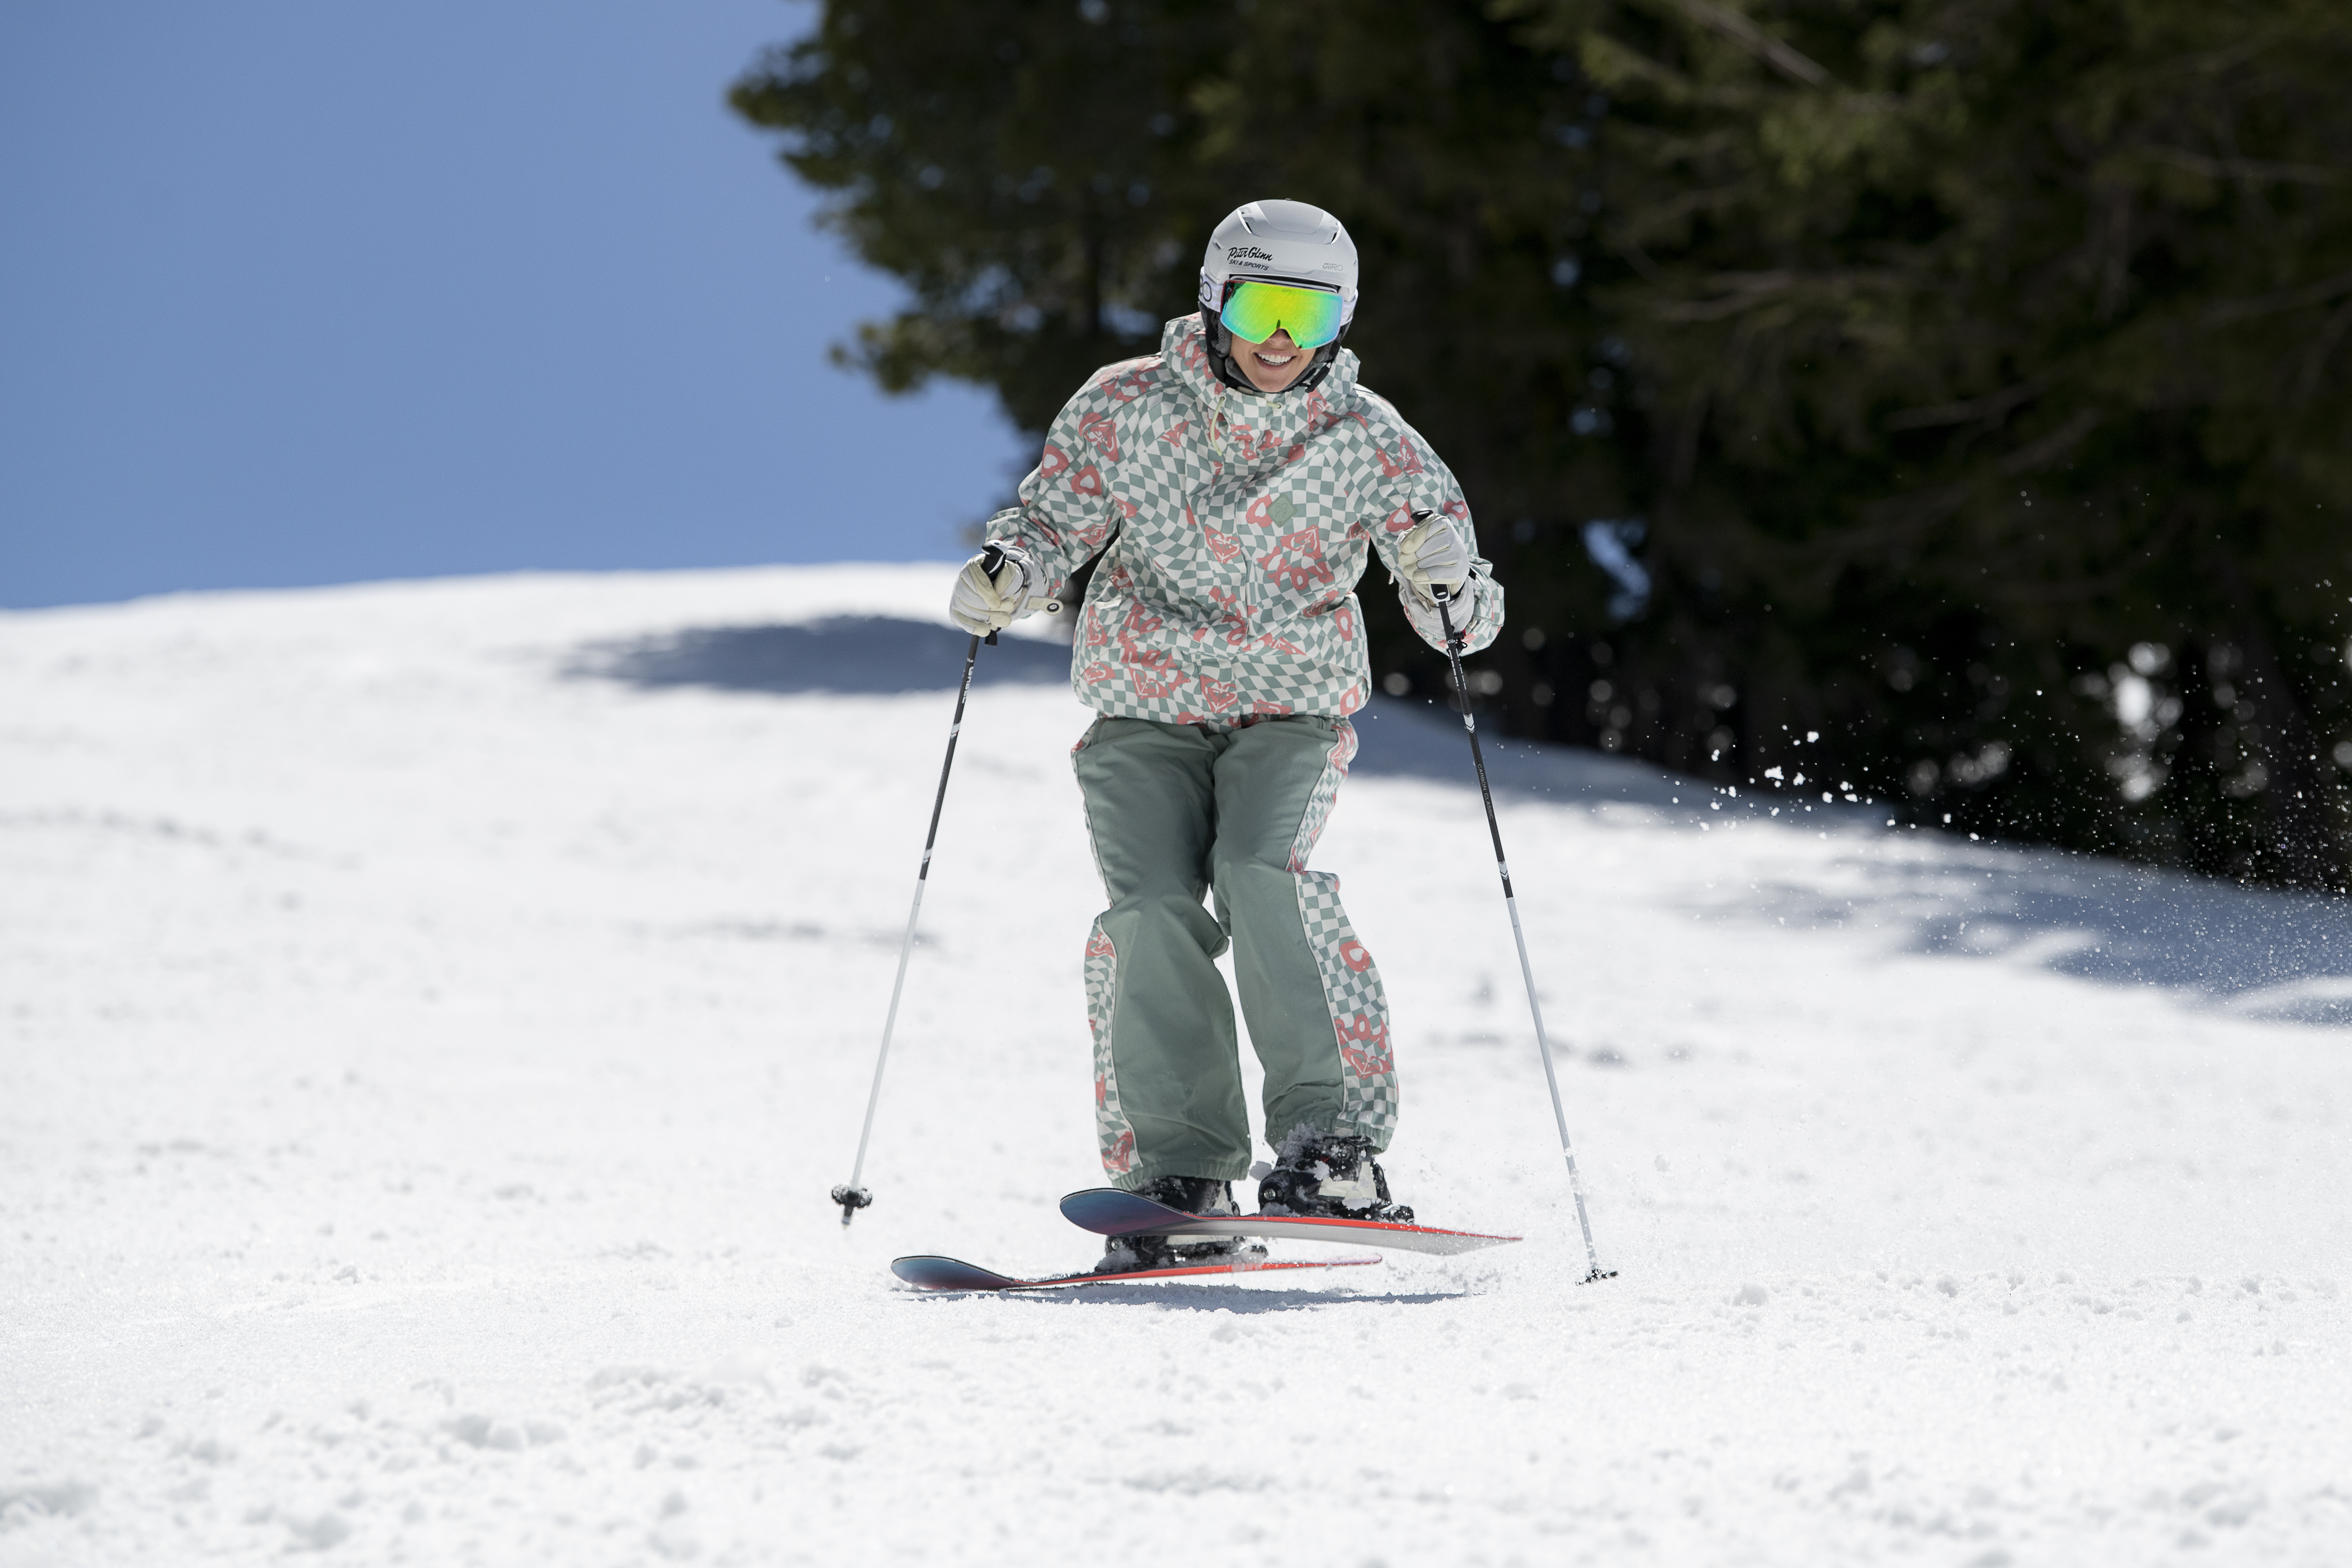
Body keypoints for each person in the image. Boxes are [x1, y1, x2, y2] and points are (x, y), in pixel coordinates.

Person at [947, 198, 1504, 1272]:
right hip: (1143, 706)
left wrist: (1445, 589)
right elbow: (1054, 518)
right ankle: (1182, 1171)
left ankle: (1329, 1147)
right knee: (1151, 911)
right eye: (1260, 304)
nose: (1283, 337)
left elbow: (1461, 612)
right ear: (1215, 300)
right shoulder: (1126, 406)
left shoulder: (1369, 439)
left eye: (1313, 309)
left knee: (1263, 873)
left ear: (1343, 317)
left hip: (1290, 706)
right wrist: (1011, 573)